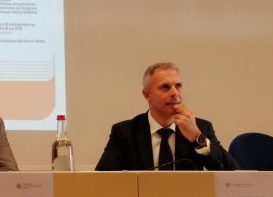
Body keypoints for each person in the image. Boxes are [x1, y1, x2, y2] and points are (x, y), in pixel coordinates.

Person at [95, 62, 236, 171]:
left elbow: (233, 172)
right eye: (165, 87)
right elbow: (102, 179)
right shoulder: (124, 132)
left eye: (178, 86)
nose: (175, 93)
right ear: (147, 95)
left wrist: (197, 137)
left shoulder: (200, 128)